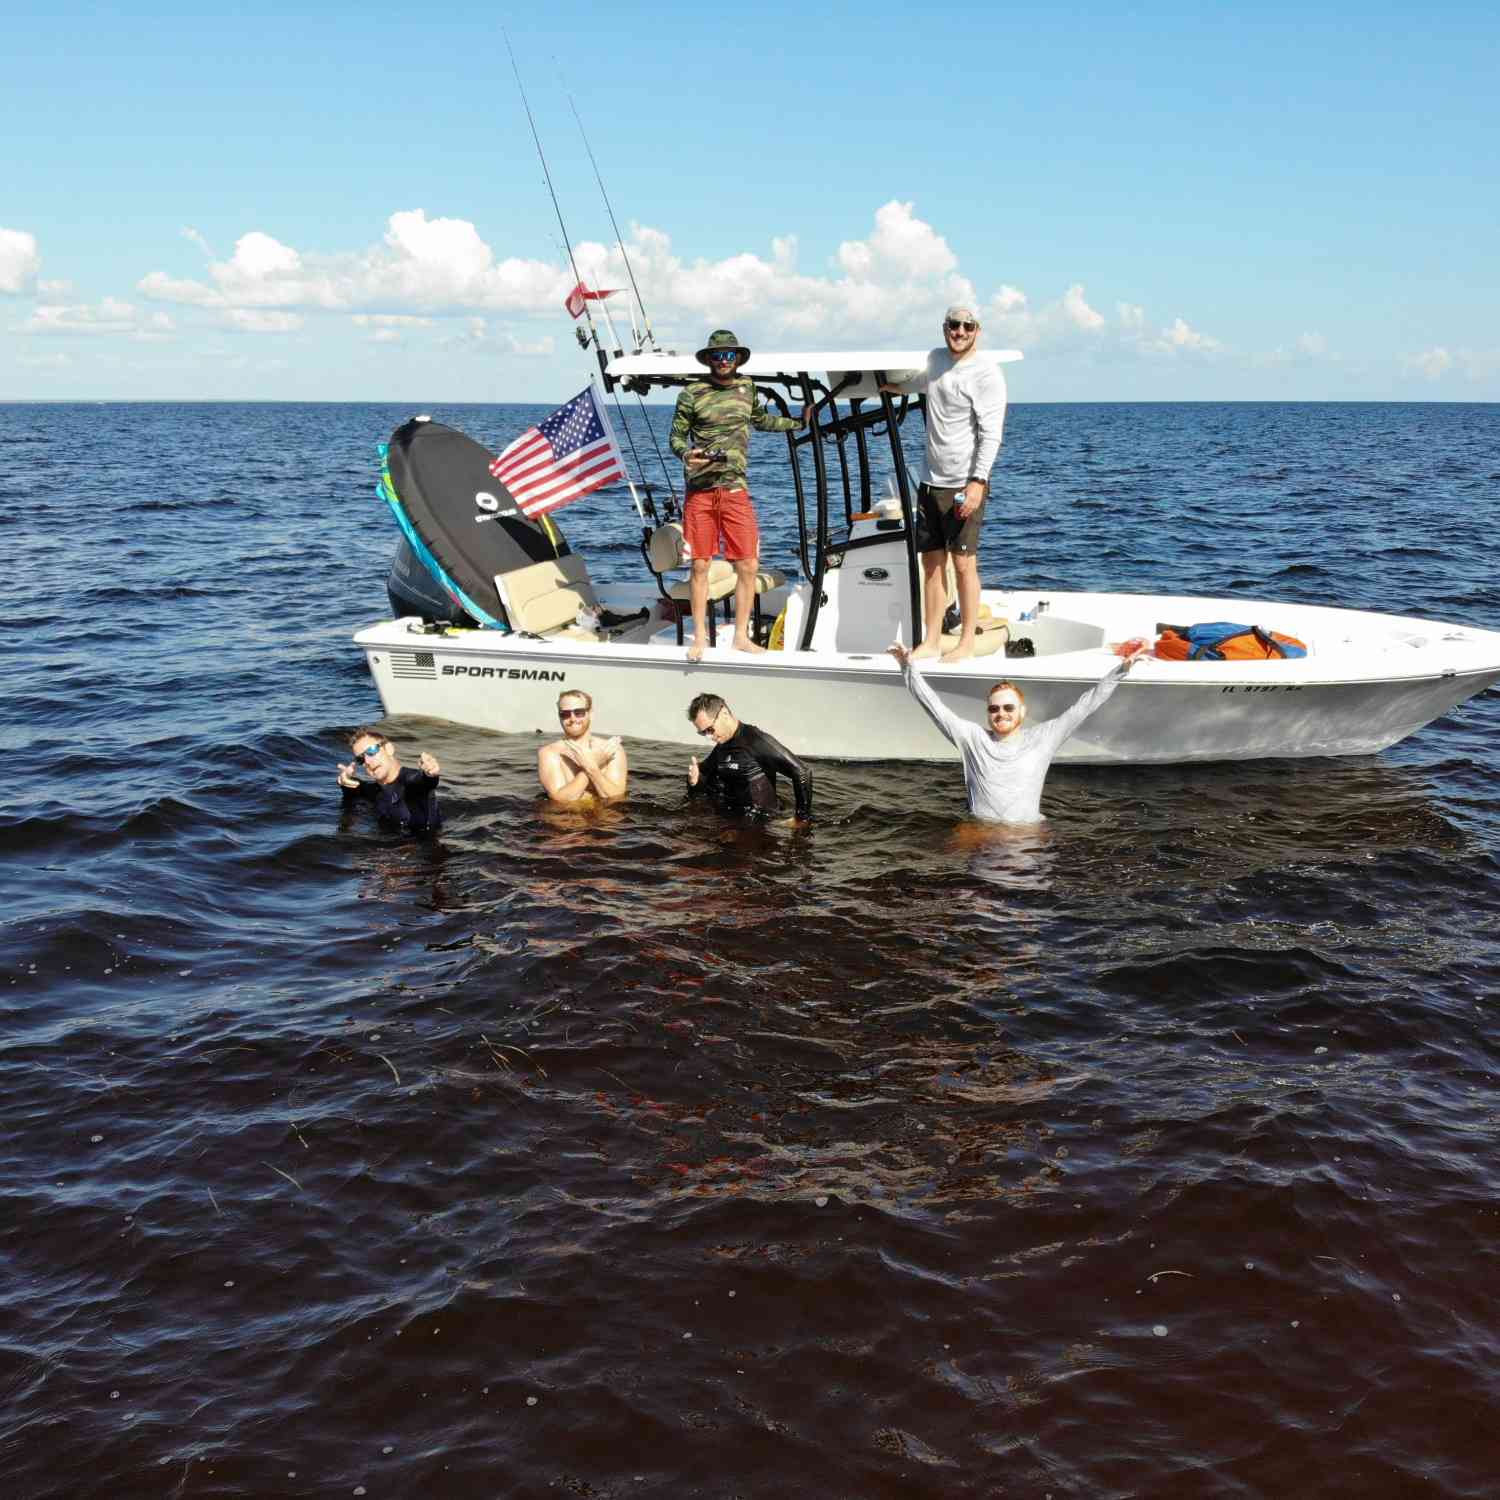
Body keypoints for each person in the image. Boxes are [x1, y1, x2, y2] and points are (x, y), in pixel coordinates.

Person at [887, 642, 1148, 824]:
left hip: (1025, 837)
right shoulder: (972, 739)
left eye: (1009, 707)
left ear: (1022, 712)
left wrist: (1120, 671)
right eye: (995, 708)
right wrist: (907, 666)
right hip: (983, 832)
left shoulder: (1043, 738)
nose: (1001, 713)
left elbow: (1085, 706)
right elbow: (934, 706)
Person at [668, 329, 810, 662]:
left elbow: (760, 420)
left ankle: (742, 637)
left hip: (735, 491)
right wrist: (687, 455)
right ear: (708, 360)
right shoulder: (692, 393)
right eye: (717, 356)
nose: (723, 361)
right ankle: (700, 637)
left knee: (748, 564)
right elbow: (675, 438)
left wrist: (798, 424)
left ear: (738, 358)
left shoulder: (748, 388)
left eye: (729, 355)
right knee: (700, 566)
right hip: (700, 493)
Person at [881, 304, 1007, 663]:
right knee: (932, 563)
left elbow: (991, 434)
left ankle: (966, 641)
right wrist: (893, 387)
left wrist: (978, 483)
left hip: (965, 484)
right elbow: (925, 382)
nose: (960, 331)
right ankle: (932, 640)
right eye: (954, 325)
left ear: (977, 330)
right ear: (945, 328)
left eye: (968, 326)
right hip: (930, 483)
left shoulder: (987, 374)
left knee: (964, 564)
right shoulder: (936, 359)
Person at [685, 692, 812, 823]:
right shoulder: (721, 746)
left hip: (762, 824)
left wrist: (801, 819)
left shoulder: (755, 740)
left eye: (710, 729)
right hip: (734, 818)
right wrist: (694, 781)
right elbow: (704, 776)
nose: (708, 737)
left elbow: (802, 771)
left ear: (724, 714)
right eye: (702, 733)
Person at [337, 727, 442, 832]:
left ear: (389, 749)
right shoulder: (374, 791)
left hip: (424, 845)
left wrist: (429, 774)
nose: (367, 761)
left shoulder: (410, 781)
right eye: (360, 759)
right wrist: (344, 781)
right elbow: (353, 790)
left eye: (371, 751)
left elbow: (424, 782)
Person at [537, 689, 629, 805]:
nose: (572, 719)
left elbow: (616, 798)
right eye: (565, 714)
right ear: (559, 716)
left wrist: (592, 769)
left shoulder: (612, 749)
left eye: (579, 712)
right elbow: (561, 800)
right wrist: (593, 764)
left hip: (605, 819)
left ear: (590, 714)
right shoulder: (549, 753)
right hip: (567, 819)